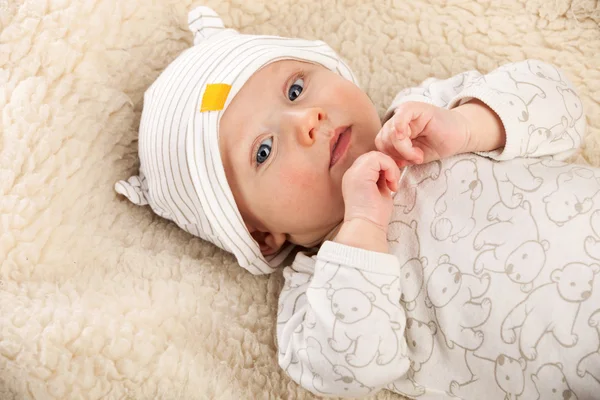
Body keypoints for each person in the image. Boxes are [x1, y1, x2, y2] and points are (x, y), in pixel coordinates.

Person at [115, 6, 600, 399]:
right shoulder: (319, 294)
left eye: (296, 89)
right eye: (263, 150)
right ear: (261, 234)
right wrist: (364, 225)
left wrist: (468, 126)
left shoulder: (429, 112)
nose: (307, 118)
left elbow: (561, 104)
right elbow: (356, 367)